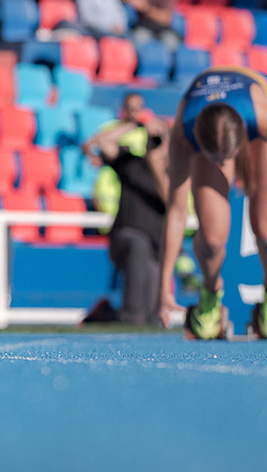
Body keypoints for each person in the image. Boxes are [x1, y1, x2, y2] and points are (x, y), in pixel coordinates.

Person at [158, 67, 267, 339]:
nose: (226, 167)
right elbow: (176, 214)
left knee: (265, 228)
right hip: (212, 120)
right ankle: (210, 294)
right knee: (212, 240)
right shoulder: (184, 137)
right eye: (216, 160)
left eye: (229, 158)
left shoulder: (261, 118)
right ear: (199, 147)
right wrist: (163, 289)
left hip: (253, 112)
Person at [91, 114, 170, 324]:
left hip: (156, 248)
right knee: (138, 244)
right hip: (125, 239)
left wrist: (156, 163)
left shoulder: (173, 174)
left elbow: (169, 199)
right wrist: (138, 125)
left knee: (152, 317)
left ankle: (107, 314)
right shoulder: (131, 163)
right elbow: (104, 141)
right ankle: (129, 314)